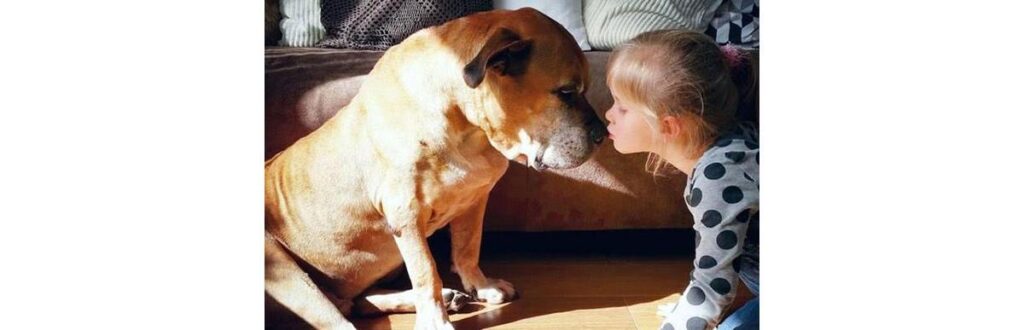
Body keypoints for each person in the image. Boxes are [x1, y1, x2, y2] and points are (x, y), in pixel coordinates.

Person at [603, 30, 759, 330]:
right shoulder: (729, 146)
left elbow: (714, 286)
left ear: (669, 126)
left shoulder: (719, 177)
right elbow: (713, 267)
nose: (609, 115)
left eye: (622, 107)